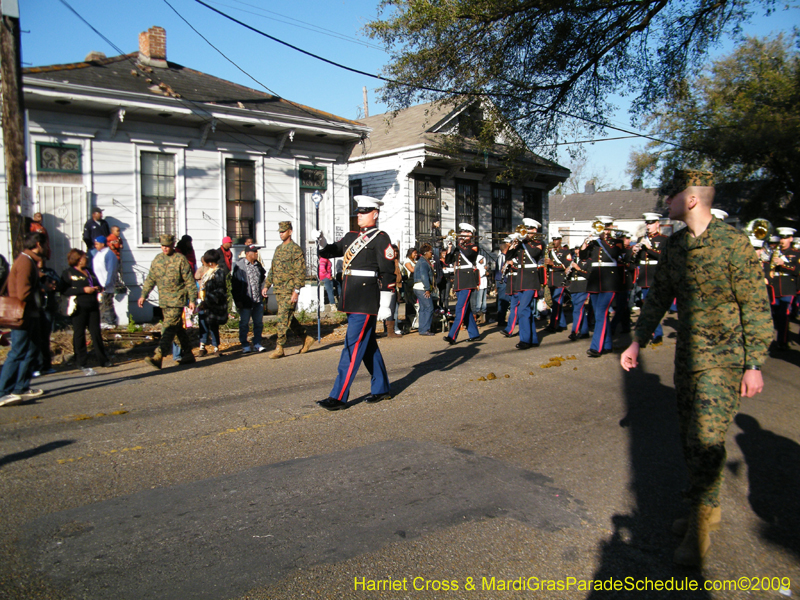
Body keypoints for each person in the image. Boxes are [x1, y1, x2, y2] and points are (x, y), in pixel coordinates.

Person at [620, 169, 772, 567]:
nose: (665, 202)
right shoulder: (675, 246)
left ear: (690, 199)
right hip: (688, 357)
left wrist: (754, 363)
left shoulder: (733, 245)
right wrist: (637, 340)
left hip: (724, 360)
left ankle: (700, 529)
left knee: (707, 438)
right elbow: (658, 297)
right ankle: (706, 505)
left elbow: (756, 307)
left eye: (671, 194)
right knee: (692, 438)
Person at [313, 195, 396, 410]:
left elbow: (387, 272)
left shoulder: (380, 238)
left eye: (364, 211)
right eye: (358, 211)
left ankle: (339, 396)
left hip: (366, 299)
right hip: (351, 297)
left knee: (351, 346)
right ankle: (382, 388)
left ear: (375, 214)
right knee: (367, 345)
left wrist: (386, 302)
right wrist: (321, 241)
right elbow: (330, 251)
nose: (358, 215)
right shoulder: (351, 236)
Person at [0, 232, 48, 406]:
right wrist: (41, 290)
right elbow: (22, 292)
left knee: (33, 350)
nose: (46, 248)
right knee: (18, 352)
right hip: (22, 315)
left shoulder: (28, 261)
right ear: (37, 244)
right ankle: (3, 392)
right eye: (45, 244)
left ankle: (21, 387)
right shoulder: (25, 262)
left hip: (30, 315)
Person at [138, 234, 198, 368]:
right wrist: (143, 295)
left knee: (168, 327)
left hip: (177, 299)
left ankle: (158, 355)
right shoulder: (158, 259)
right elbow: (151, 278)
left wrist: (192, 299)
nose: (165, 249)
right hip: (164, 300)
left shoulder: (180, 260)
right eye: (163, 246)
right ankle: (188, 353)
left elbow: (189, 281)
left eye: (167, 246)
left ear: (172, 246)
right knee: (176, 329)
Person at [265, 222, 314, 358]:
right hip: (279, 290)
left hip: (289, 290)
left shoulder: (296, 250)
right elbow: (273, 269)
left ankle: (279, 347)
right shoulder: (278, 249)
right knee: (288, 318)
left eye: (284, 231)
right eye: (280, 232)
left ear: (290, 232)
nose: (281, 234)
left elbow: (300, 271)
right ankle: (306, 338)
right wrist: (266, 285)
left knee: (282, 318)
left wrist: (296, 290)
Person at [62, 248, 111, 375]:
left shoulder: (89, 272)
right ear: (77, 260)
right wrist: (83, 290)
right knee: (79, 334)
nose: (87, 260)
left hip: (93, 306)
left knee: (96, 332)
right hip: (79, 307)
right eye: (84, 258)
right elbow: (64, 290)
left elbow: (98, 284)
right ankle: (81, 361)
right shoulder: (69, 273)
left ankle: (103, 359)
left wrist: (98, 288)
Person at [580, 215, 624, 357]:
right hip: (594, 281)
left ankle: (596, 347)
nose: (603, 230)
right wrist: (585, 243)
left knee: (600, 313)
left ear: (610, 227)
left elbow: (614, 254)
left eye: (606, 227)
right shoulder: (594, 242)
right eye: (601, 226)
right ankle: (607, 344)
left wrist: (599, 240)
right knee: (601, 314)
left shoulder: (616, 242)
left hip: (609, 281)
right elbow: (582, 256)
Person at [505, 218, 544, 349]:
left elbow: (534, 253)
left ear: (534, 230)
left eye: (529, 229)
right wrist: (513, 244)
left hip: (531, 280)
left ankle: (525, 340)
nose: (526, 231)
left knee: (522, 309)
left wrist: (523, 241)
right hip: (520, 280)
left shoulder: (538, 243)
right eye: (524, 229)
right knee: (526, 311)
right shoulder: (521, 244)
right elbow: (508, 257)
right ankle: (533, 339)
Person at [632, 213, 669, 344]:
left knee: (653, 307)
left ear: (657, 224)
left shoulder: (664, 239)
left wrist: (649, 248)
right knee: (646, 308)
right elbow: (636, 261)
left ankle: (656, 333)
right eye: (647, 223)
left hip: (656, 277)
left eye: (651, 223)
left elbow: (663, 258)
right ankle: (651, 333)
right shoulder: (641, 239)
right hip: (644, 277)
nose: (648, 226)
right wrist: (635, 251)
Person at [443, 223, 480, 344]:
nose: (462, 234)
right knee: (466, 309)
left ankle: (452, 336)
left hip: (468, 279)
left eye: (464, 232)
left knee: (460, 308)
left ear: (470, 234)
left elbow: (469, 255)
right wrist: (449, 248)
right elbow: (448, 261)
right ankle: (474, 333)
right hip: (459, 279)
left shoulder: (473, 247)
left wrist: (458, 244)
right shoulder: (459, 247)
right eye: (461, 231)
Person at [231, 243, 268, 353]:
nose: (256, 254)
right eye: (254, 252)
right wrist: (238, 300)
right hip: (245, 300)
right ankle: (245, 344)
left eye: (257, 252)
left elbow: (262, 279)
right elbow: (235, 285)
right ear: (247, 254)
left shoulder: (258, 265)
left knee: (258, 323)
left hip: (257, 300)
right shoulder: (240, 266)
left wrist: (263, 290)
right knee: (244, 324)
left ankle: (257, 343)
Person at [767, 227, 799, 350]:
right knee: (773, 315)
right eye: (781, 237)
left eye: (785, 238)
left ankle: (782, 340)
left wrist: (783, 264)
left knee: (783, 315)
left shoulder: (796, 254)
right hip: (774, 287)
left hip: (787, 287)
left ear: (790, 239)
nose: (783, 240)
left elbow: (797, 270)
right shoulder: (774, 252)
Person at [196, 249, 228, 356]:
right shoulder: (208, 272)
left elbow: (219, 290)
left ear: (210, 262)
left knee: (213, 325)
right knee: (202, 323)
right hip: (204, 301)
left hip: (214, 304)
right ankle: (202, 345)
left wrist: (208, 300)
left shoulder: (218, 273)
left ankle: (215, 347)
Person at [545, 234, 571, 332]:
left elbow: (567, 266)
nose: (554, 241)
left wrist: (553, 264)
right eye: (553, 240)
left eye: (556, 240)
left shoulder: (565, 252)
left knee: (557, 303)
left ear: (560, 240)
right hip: (552, 280)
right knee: (556, 304)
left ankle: (553, 325)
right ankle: (562, 324)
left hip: (560, 281)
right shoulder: (551, 252)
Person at [92, 236, 119, 329]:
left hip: (106, 285)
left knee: (106, 304)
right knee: (101, 304)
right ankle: (103, 321)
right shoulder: (98, 253)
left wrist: (107, 284)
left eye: (97, 244)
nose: (95, 246)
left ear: (103, 244)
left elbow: (111, 270)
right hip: (98, 284)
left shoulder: (109, 254)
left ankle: (110, 322)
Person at [414, 243, 436, 335]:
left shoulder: (423, 261)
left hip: (418, 287)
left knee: (423, 308)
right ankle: (425, 329)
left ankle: (422, 329)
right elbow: (424, 276)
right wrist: (427, 288)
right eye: (431, 252)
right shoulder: (423, 262)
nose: (432, 254)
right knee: (429, 308)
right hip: (422, 287)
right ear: (426, 253)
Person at [494, 240, 510, 327]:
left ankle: (501, 319)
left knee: (502, 301)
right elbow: (502, 270)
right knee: (503, 301)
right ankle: (501, 320)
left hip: (500, 280)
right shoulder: (503, 257)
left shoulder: (501, 256)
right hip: (502, 281)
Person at [402, 248, 418, 332]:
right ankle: (408, 321)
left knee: (415, 303)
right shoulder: (407, 261)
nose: (416, 255)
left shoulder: (416, 261)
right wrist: (419, 266)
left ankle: (415, 321)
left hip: (415, 284)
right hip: (409, 284)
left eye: (416, 253)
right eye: (414, 253)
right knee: (409, 302)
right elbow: (412, 270)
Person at [470, 253, 488, 325]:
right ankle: (478, 312)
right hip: (480, 284)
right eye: (481, 260)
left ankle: (484, 311)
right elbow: (480, 274)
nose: (482, 261)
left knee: (484, 299)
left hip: (484, 283)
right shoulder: (478, 267)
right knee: (479, 299)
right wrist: (484, 270)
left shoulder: (484, 266)